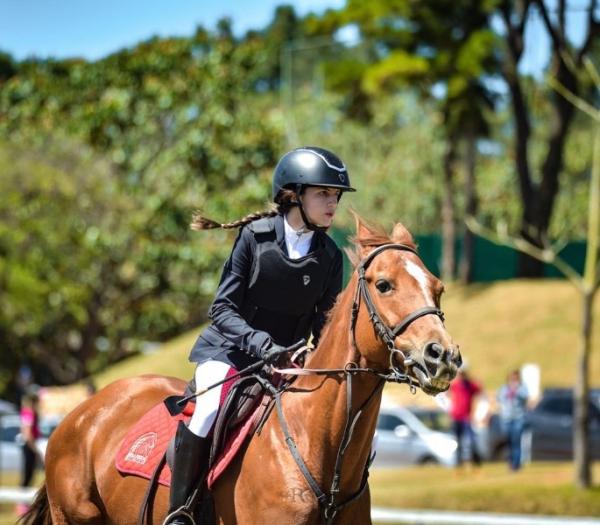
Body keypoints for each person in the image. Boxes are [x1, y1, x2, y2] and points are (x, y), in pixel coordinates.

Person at [164, 146, 355, 524]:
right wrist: (263, 345)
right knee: (207, 411)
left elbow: (323, 324)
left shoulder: (331, 256)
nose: (332, 203)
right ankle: (181, 511)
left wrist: (316, 358)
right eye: (323, 194)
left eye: (335, 196)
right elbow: (221, 309)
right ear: (293, 196)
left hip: (286, 363)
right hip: (230, 352)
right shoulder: (255, 238)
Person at [448, 363, 483, 468]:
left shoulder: (470, 385)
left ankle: (475, 462)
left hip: (466, 418)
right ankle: (458, 464)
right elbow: (446, 393)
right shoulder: (455, 385)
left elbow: (480, 389)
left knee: (471, 442)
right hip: (456, 417)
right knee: (458, 442)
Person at [497, 369, 529, 471]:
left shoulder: (522, 388)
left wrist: (516, 390)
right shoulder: (504, 389)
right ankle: (510, 462)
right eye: (512, 378)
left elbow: (525, 398)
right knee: (508, 442)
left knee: (516, 442)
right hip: (506, 419)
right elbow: (499, 399)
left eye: (515, 378)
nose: (513, 380)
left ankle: (516, 464)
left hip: (518, 418)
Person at [16, 391, 41, 516]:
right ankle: (21, 505)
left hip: (30, 445)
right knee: (26, 475)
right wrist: (34, 449)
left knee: (30, 475)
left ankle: (24, 503)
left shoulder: (31, 412)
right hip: (29, 446)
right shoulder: (28, 412)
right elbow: (27, 432)